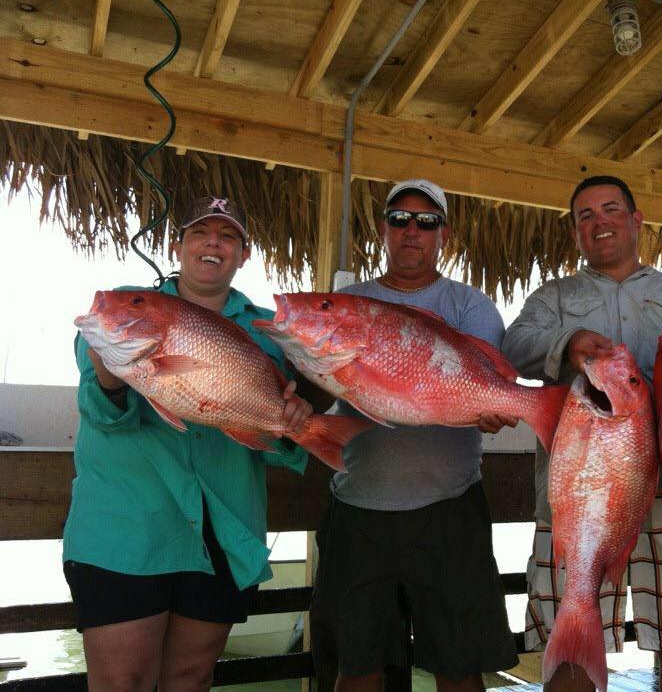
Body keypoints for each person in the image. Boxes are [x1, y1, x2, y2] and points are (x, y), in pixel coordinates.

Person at [501, 175, 662, 692]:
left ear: (636, 219)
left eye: (610, 209)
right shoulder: (554, 297)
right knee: (570, 650)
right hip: (583, 497)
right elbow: (512, 349)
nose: (599, 222)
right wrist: (567, 341)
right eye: (585, 216)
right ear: (576, 232)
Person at [65, 196, 315, 692]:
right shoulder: (128, 304)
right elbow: (101, 414)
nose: (212, 243)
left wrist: (294, 422)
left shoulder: (269, 332)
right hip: (127, 530)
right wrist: (112, 377)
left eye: (227, 236)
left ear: (243, 254)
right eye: (200, 232)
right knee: (121, 682)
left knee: (191, 679)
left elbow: (281, 445)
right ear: (176, 246)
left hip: (222, 534)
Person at [309, 179, 519, 691]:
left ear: (443, 235)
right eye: (399, 218)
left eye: (426, 222)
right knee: (356, 667)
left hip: (451, 511)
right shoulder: (346, 302)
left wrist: (492, 406)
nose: (411, 230)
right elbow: (314, 395)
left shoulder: (470, 305)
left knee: (460, 666)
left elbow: (483, 383)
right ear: (383, 229)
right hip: (357, 510)